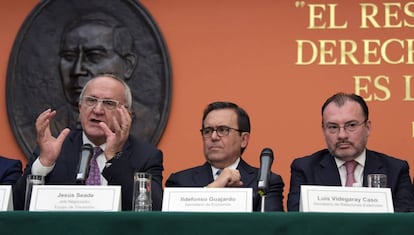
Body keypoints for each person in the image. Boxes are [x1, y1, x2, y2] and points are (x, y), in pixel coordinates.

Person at [13, 74, 164, 211]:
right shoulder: (54, 148)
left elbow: (155, 210)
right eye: (91, 101)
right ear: (80, 108)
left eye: (109, 103)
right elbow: (16, 207)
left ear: (126, 115)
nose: (97, 110)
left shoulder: (147, 156)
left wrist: (115, 157)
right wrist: (44, 164)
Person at [287, 92, 414, 212]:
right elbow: (298, 223)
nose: (342, 135)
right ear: (323, 130)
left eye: (351, 125)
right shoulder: (305, 169)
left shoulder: (396, 170)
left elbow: (402, 224)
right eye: (333, 127)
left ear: (367, 128)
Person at [166, 101, 284, 211]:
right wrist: (215, 186)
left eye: (223, 130)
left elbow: (271, 228)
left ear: (243, 139)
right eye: (207, 131)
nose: (213, 137)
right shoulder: (180, 182)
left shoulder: (266, 183)